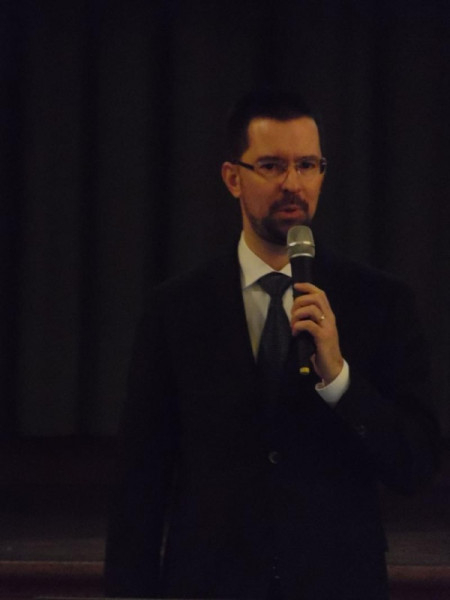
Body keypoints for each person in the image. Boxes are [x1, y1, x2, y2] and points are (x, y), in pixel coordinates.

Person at [104, 91, 439, 600]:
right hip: (210, 585)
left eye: (307, 165)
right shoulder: (176, 309)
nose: (293, 184)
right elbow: (140, 480)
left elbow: (415, 465)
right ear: (232, 178)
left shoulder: (380, 302)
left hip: (336, 584)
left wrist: (340, 380)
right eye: (271, 166)